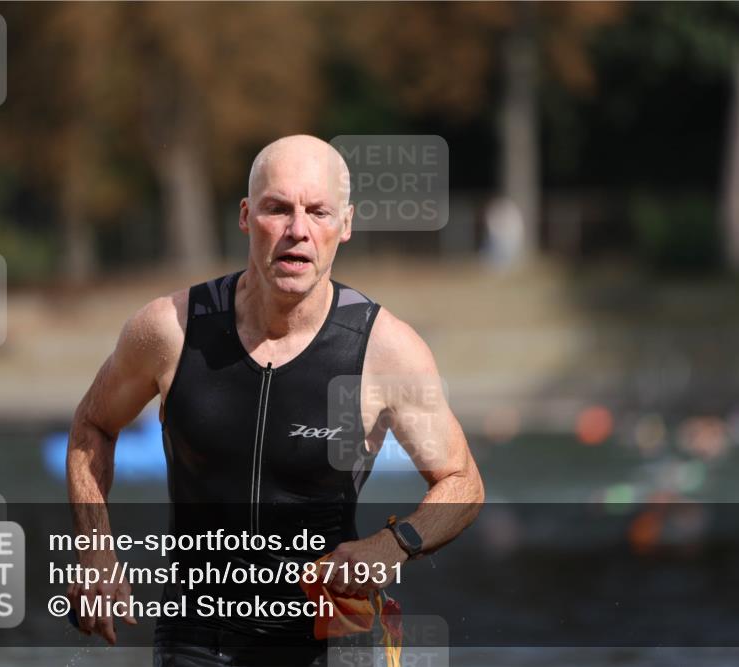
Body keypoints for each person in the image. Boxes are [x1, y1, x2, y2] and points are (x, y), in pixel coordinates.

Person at [65, 135, 485, 665]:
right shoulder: (171, 330)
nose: (297, 231)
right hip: (197, 635)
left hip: (329, 638)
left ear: (346, 225)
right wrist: (95, 547)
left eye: (318, 212)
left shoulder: (383, 351)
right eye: (277, 209)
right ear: (245, 215)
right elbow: (92, 426)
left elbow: (463, 483)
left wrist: (392, 546)